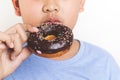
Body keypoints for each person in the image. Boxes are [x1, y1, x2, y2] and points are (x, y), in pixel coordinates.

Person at [0, 0, 120, 80]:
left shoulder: (103, 64)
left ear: (81, 3)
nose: (51, 7)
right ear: (17, 5)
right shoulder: (4, 61)